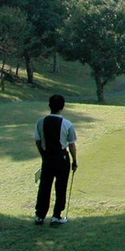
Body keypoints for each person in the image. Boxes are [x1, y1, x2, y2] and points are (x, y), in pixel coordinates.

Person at [34, 94, 77, 225]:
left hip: (47, 158)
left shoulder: (41, 122)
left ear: (49, 106)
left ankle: (40, 216)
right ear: (62, 107)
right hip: (62, 158)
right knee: (61, 186)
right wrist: (75, 161)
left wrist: (43, 155)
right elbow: (71, 145)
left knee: (45, 186)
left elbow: (38, 141)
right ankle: (56, 216)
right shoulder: (67, 124)